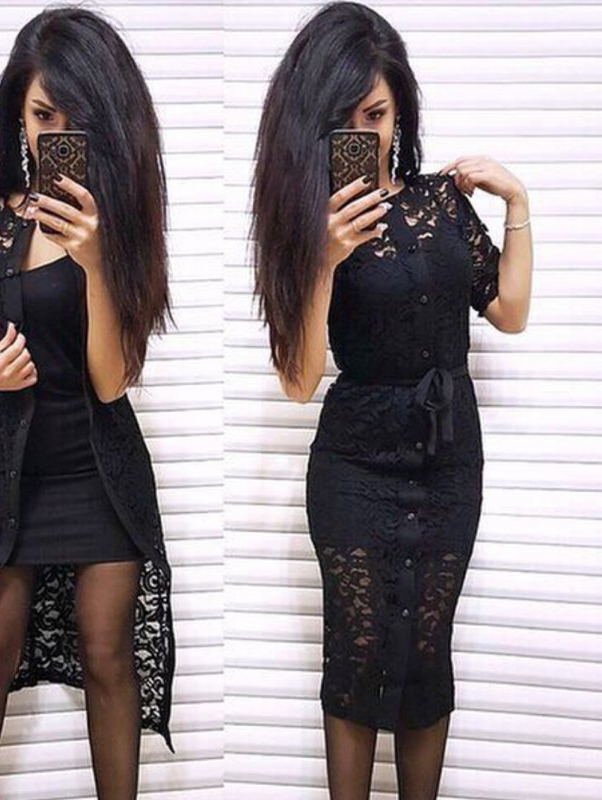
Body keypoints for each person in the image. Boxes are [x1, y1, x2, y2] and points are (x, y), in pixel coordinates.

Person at [249, 3, 533, 798]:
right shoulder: (303, 225)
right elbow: (298, 380)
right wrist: (324, 259)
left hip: (449, 461)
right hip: (354, 469)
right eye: (344, 119)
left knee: (426, 654)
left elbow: (508, 312)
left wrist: (517, 204)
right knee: (358, 654)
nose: (364, 134)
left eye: (376, 114)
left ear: (400, 109)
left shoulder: (441, 203)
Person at [0, 7, 176, 798]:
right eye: (43, 116)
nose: (55, 135)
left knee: (108, 657)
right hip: (14, 478)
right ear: (18, 113)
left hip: (98, 473)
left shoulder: (123, 223)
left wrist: (96, 262)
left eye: (74, 119)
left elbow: (112, 382)